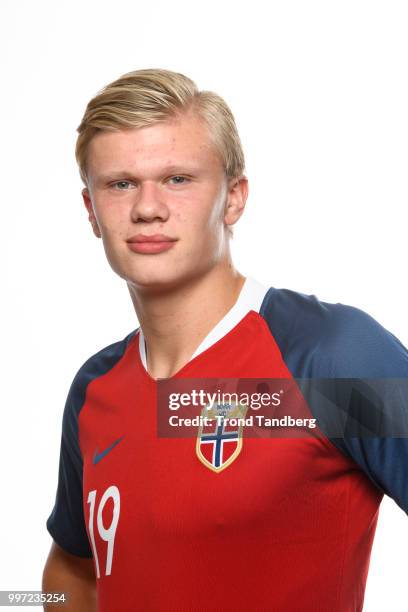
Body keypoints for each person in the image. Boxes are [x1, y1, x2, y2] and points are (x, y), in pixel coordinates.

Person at [42, 68, 408, 612]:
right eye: (120, 184)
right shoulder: (96, 389)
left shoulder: (326, 358)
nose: (148, 208)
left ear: (234, 198)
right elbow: (71, 570)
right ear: (92, 211)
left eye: (178, 179)